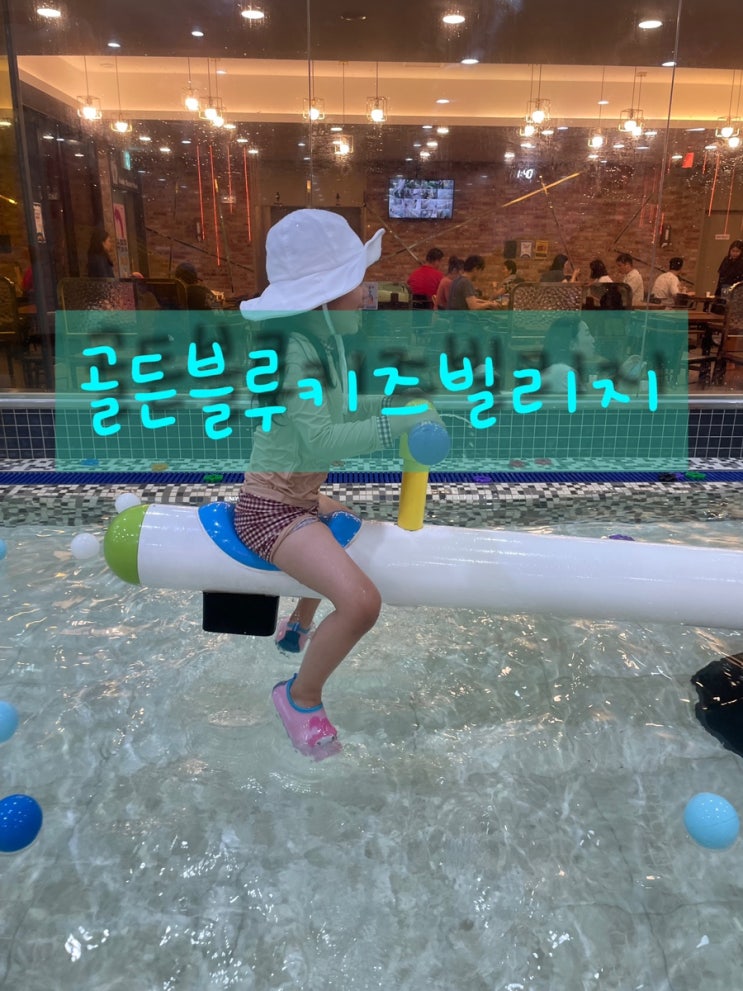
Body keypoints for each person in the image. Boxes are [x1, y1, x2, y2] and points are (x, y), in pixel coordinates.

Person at [237, 209, 441, 759]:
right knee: (361, 604)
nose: (366, 295)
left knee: (343, 522)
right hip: (270, 510)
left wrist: (395, 401)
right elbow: (322, 441)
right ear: (324, 297)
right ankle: (299, 697)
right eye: (356, 284)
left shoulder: (317, 345)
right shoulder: (293, 355)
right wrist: (395, 425)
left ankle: (298, 626)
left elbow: (341, 407)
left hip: (295, 497)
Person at [538, 313, 595, 393]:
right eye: (587, 334)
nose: (593, 340)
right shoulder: (563, 373)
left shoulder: (561, 371)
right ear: (572, 344)